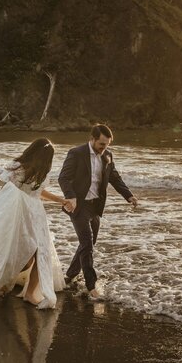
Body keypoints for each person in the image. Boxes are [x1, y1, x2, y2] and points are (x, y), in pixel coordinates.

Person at [0, 138, 70, 309]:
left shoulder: (39, 171)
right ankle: (4, 282)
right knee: (23, 254)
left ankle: (29, 292)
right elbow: (7, 192)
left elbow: (37, 193)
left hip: (34, 214)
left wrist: (60, 200)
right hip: (17, 214)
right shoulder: (18, 166)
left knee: (40, 252)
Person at [58, 124, 138, 298]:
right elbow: (63, 177)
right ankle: (91, 286)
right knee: (87, 244)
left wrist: (128, 195)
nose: (104, 148)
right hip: (78, 205)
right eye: (101, 144)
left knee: (89, 243)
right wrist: (70, 196)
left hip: (95, 206)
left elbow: (115, 178)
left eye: (107, 145)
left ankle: (70, 275)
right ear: (92, 139)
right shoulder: (76, 153)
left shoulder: (107, 155)